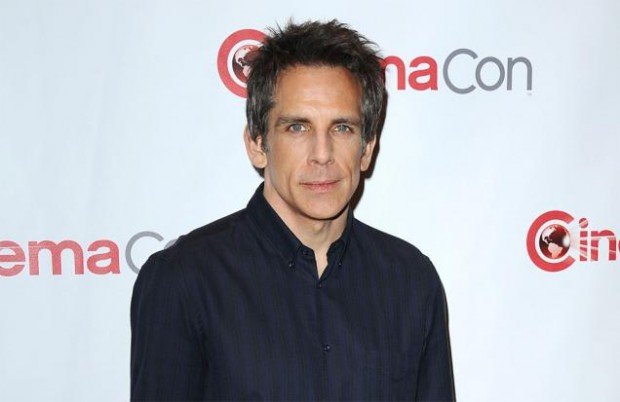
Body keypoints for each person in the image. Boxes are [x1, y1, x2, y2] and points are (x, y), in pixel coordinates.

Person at [130, 19, 455, 401]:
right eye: (298, 128)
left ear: (367, 149)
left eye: (342, 128)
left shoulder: (411, 281)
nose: (322, 154)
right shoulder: (185, 280)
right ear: (257, 144)